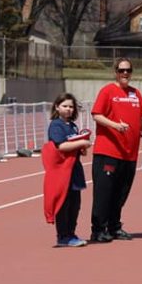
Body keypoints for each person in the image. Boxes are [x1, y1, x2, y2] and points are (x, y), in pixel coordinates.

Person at [90, 58, 142, 243]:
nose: (125, 74)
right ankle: (98, 229)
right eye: (121, 70)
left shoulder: (136, 94)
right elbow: (97, 115)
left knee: (121, 193)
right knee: (104, 193)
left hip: (129, 154)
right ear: (115, 72)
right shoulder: (108, 91)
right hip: (108, 152)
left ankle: (114, 227)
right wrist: (115, 126)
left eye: (128, 70)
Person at [44, 93, 90, 247]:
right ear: (57, 107)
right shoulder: (56, 125)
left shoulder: (73, 126)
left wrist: (82, 148)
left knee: (75, 204)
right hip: (63, 171)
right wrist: (81, 143)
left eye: (71, 106)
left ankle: (71, 233)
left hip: (75, 170)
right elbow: (61, 146)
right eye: (65, 106)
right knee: (64, 204)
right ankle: (63, 236)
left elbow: (75, 146)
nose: (69, 109)